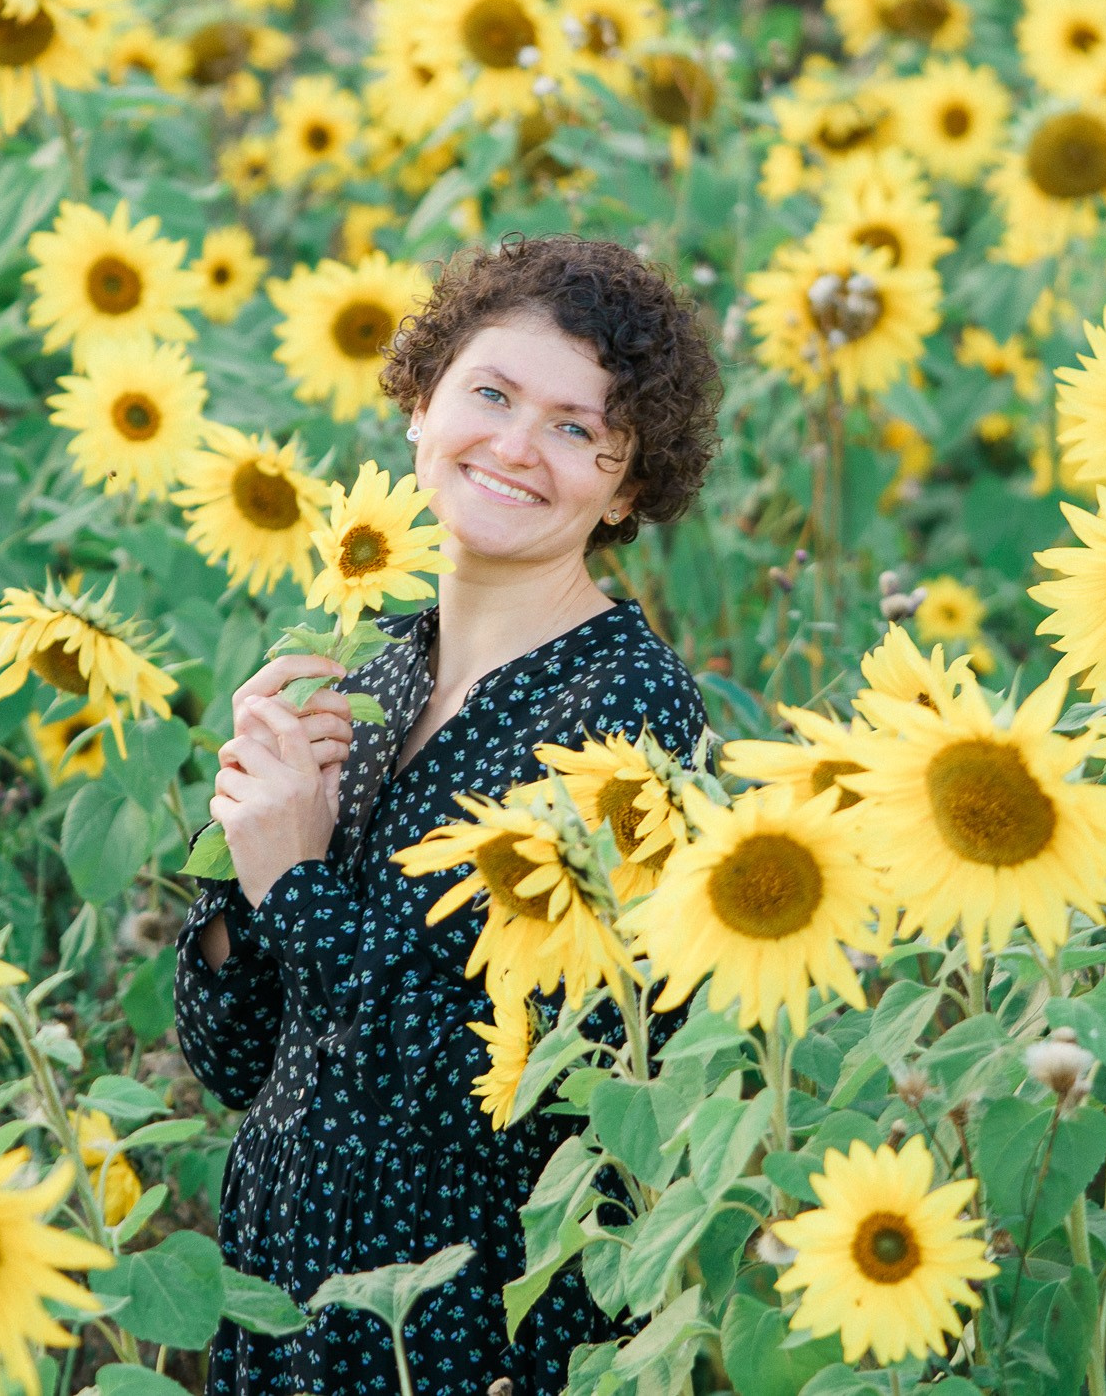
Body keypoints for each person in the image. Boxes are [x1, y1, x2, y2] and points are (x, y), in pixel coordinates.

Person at [175, 234, 723, 1394]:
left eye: (578, 430)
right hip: (284, 1320)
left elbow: (478, 1086)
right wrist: (249, 839)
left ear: (628, 487)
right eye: (491, 393)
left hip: (459, 1334)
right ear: (420, 403)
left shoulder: (624, 713)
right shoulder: (372, 673)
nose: (518, 447)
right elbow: (235, 1060)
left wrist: (296, 876)